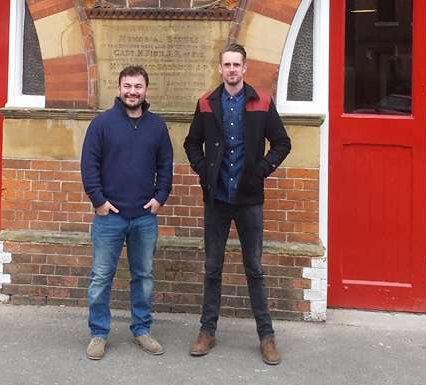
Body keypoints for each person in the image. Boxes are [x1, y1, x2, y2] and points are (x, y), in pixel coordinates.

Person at [183, 43, 291, 365]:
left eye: (237, 65)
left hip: (249, 201)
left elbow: (282, 142)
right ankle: (207, 331)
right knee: (212, 267)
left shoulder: (262, 102)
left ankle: (266, 336)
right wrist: (204, 172)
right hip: (217, 199)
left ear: (245, 69)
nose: (231, 70)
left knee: (254, 269)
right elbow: (191, 143)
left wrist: (260, 171)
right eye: (226, 65)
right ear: (220, 68)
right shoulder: (206, 103)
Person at [81, 65, 173, 360]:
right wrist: (98, 201)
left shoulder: (157, 126)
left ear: (146, 90)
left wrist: (160, 198)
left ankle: (142, 329)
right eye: (127, 86)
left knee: (143, 276)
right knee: (101, 277)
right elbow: (89, 165)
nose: (132, 91)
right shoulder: (102, 124)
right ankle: (98, 333)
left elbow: (166, 166)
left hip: (145, 217)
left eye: (138, 86)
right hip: (110, 217)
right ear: (119, 88)